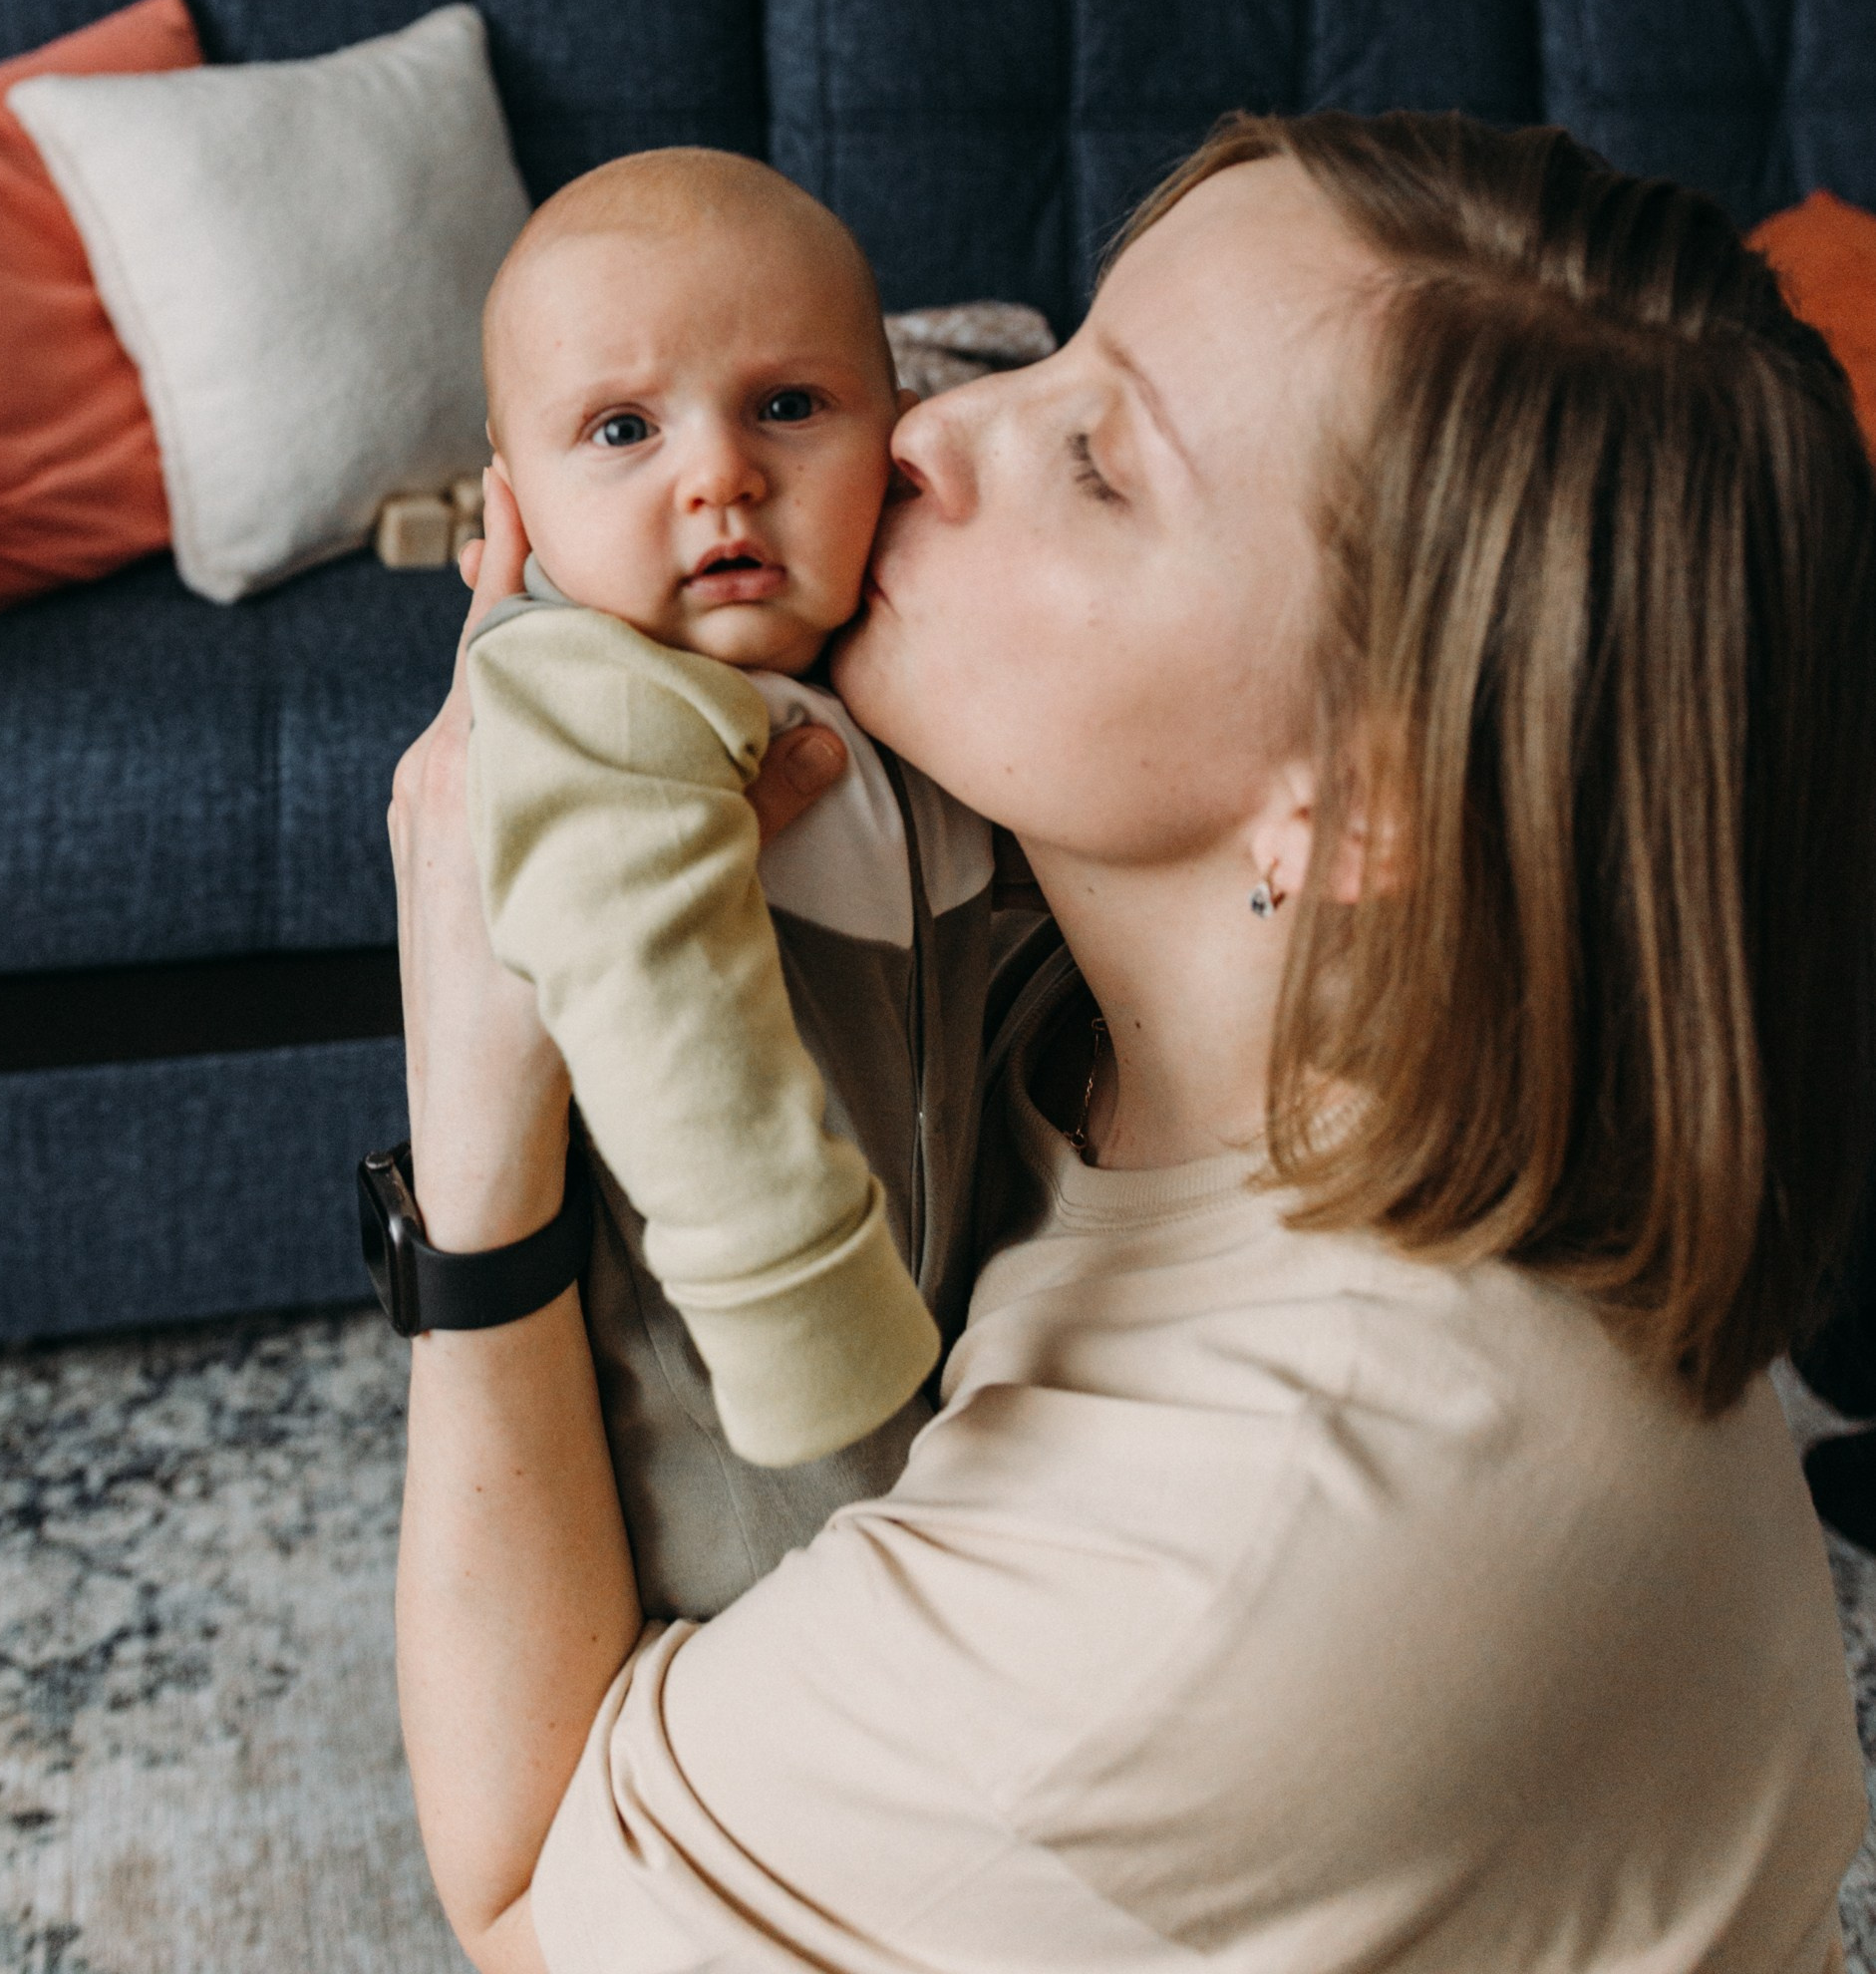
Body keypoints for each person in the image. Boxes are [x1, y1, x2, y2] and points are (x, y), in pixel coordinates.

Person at [389, 111, 1876, 1974]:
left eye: (1095, 460)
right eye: (1067, 342)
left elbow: (526, 1898)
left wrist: (476, 1137)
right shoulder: (1248, 1044)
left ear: (1363, 800)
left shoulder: (1202, 1579)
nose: (926, 428)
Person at [462, 150, 994, 1602]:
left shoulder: (868, 640)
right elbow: (651, 987)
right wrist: (796, 1314)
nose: (719, 475)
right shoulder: (583, 682)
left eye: (786, 406)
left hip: (937, 1282)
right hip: (751, 1384)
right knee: (818, 1626)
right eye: (622, 428)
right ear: (515, 510)